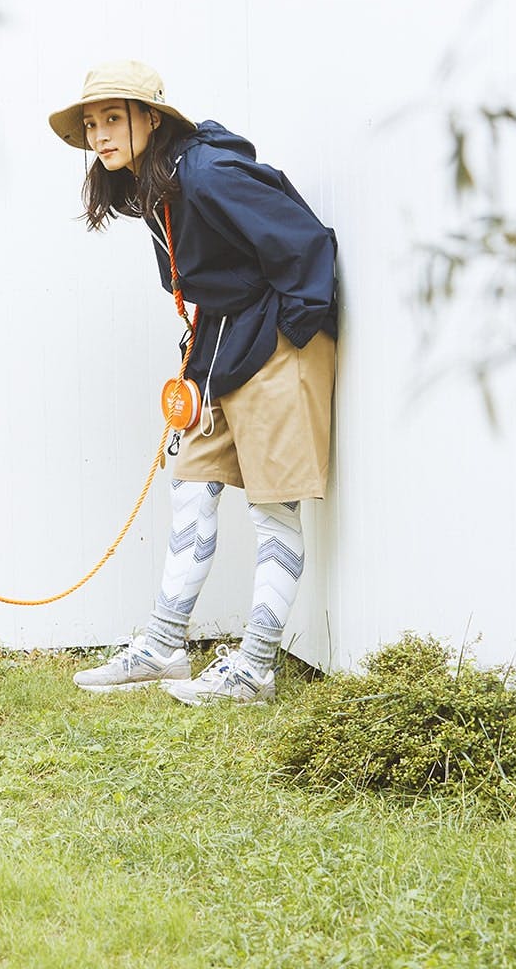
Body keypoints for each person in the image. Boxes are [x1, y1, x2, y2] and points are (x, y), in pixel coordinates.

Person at [48, 60, 338, 705]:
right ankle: (163, 644)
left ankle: (255, 667)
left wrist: (291, 332)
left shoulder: (208, 172)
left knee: (273, 507)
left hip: (276, 346)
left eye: (112, 119)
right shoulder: (154, 187)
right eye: (91, 124)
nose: (99, 135)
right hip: (220, 349)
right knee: (192, 490)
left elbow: (307, 244)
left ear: (152, 118)